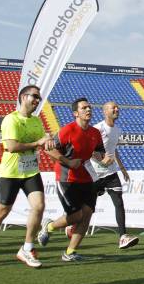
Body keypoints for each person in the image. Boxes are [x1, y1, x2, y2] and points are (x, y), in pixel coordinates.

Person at [0, 85, 54, 269]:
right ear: (22, 97)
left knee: (39, 206)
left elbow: (44, 144)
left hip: (31, 171)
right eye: (34, 96)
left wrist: (59, 152)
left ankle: (27, 248)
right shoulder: (10, 120)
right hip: (10, 173)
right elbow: (12, 146)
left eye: (38, 97)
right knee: (3, 211)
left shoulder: (36, 121)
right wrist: (37, 142)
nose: (37, 100)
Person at [37, 98, 104, 262]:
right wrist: (68, 162)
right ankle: (49, 226)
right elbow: (48, 149)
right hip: (67, 178)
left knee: (87, 214)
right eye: (84, 108)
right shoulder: (67, 130)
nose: (88, 110)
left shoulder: (95, 133)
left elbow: (100, 152)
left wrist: (100, 156)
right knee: (76, 216)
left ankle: (70, 252)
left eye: (89, 107)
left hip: (87, 179)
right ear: (76, 113)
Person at [93, 101, 138, 249]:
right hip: (94, 174)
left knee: (119, 202)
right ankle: (69, 226)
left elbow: (113, 149)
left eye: (117, 107)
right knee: (87, 208)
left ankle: (123, 237)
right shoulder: (97, 129)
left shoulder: (117, 130)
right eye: (113, 108)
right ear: (105, 111)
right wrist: (101, 160)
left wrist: (122, 168)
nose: (117, 109)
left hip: (111, 172)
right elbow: (90, 150)